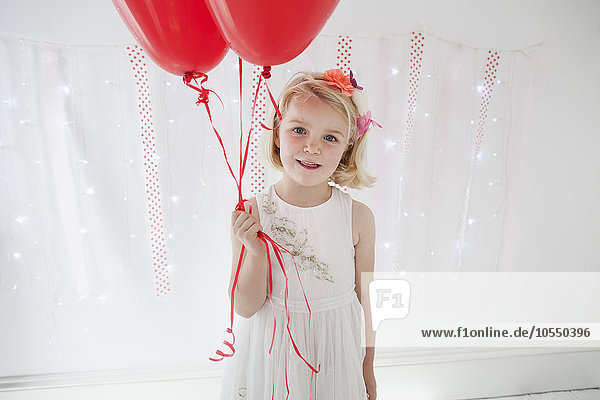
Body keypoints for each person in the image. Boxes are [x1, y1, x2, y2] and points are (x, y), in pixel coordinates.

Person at [219, 69, 379, 399]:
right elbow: (246, 307)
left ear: (348, 147)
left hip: (334, 355)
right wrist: (255, 251)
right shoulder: (252, 214)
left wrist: (368, 368)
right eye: (299, 130)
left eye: (330, 138)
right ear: (277, 133)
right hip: (272, 355)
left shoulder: (358, 218)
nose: (312, 147)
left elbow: (368, 302)